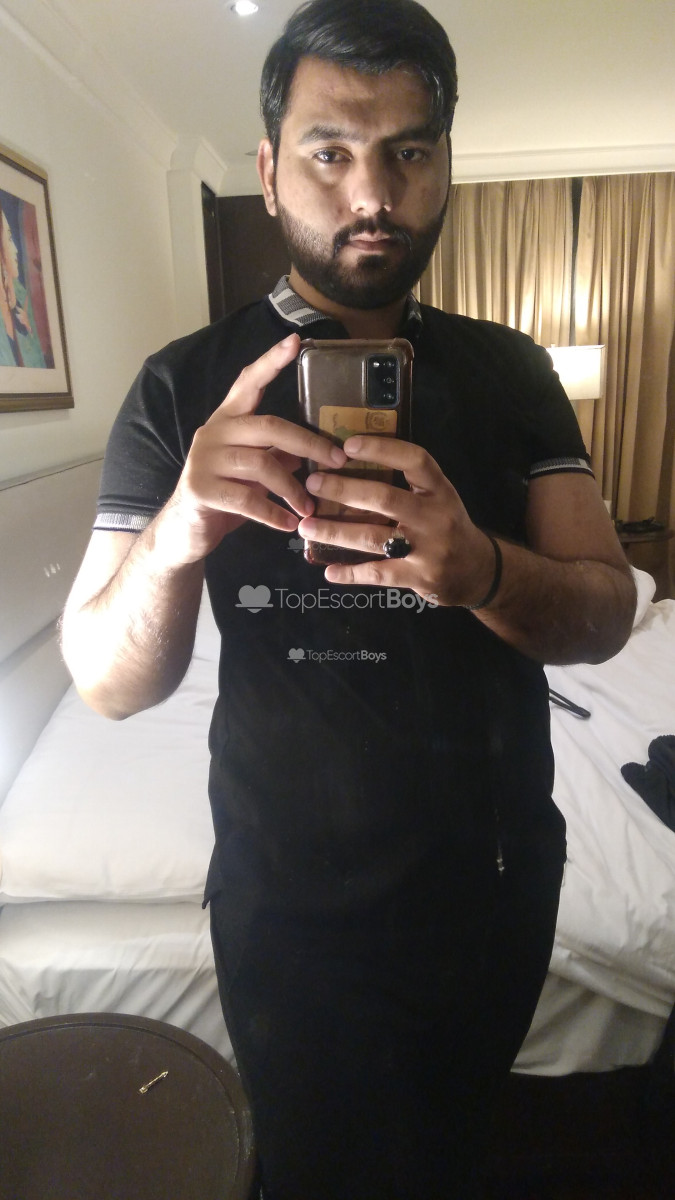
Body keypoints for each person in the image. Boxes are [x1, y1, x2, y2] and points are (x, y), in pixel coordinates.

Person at [61, 1, 636, 1195]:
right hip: (285, 896)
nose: (371, 191)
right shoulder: (179, 386)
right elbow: (108, 686)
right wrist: (180, 530)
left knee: (457, 1148)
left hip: (494, 878)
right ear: (270, 170)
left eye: (407, 150)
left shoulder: (512, 372)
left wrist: (479, 570)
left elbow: (606, 612)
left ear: (446, 164)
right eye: (330, 151)